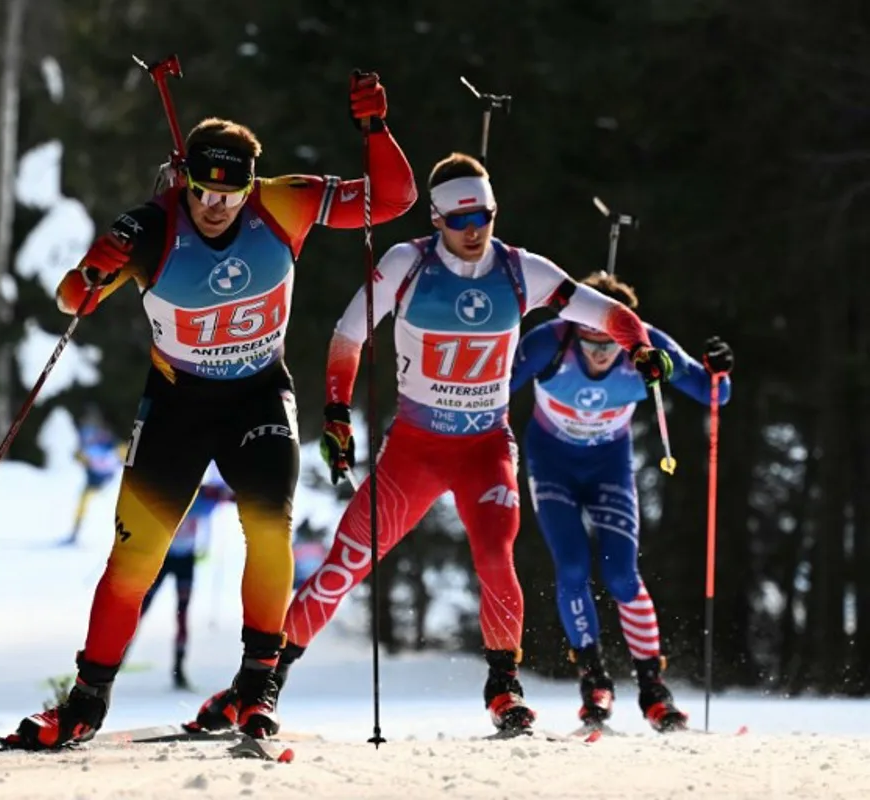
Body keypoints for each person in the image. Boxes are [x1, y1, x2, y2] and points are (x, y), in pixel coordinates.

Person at [192, 151, 676, 738]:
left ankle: (504, 686)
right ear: (437, 219)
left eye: (484, 218)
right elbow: (349, 334)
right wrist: (339, 414)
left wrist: (643, 346)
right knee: (347, 563)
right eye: (460, 220)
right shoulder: (407, 263)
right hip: (414, 452)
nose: (474, 233)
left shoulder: (524, 271)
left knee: (497, 557)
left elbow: (609, 311)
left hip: (485, 449)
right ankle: (262, 683)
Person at [1, 71, 417, 750]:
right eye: (202, 192)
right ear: (183, 180)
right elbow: (72, 300)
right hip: (177, 403)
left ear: (250, 185)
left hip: (258, 394)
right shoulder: (149, 227)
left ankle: (258, 688)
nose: (216, 206)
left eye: (230, 193)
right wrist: (95, 268)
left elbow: (393, 200)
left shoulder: (284, 203)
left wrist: (376, 129)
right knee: (134, 557)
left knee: (269, 526)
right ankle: (84, 703)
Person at [508, 271, 733, 732]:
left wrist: (718, 370)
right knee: (571, 567)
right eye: (589, 335)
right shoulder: (550, 342)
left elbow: (715, 395)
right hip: (552, 466)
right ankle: (594, 682)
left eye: (610, 338)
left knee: (621, 574)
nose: (598, 349)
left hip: (609, 469)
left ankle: (653, 689)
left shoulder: (649, 347)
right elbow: (492, 390)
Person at [136, 463, 235, 691]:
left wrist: (223, 493)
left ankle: (179, 670)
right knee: (142, 608)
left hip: (185, 560)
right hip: (162, 558)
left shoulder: (202, 494)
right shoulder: (174, 492)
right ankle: (115, 658)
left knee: (182, 613)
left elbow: (230, 497)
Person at [61, 418, 124, 546]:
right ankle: (75, 532)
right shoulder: (91, 447)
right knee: (83, 505)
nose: (101, 436)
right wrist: (79, 456)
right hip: (92, 484)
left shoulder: (116, 447)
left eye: (104, 434)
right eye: (99, 434)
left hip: (108, 484)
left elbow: (127, 455)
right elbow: (79, 457)